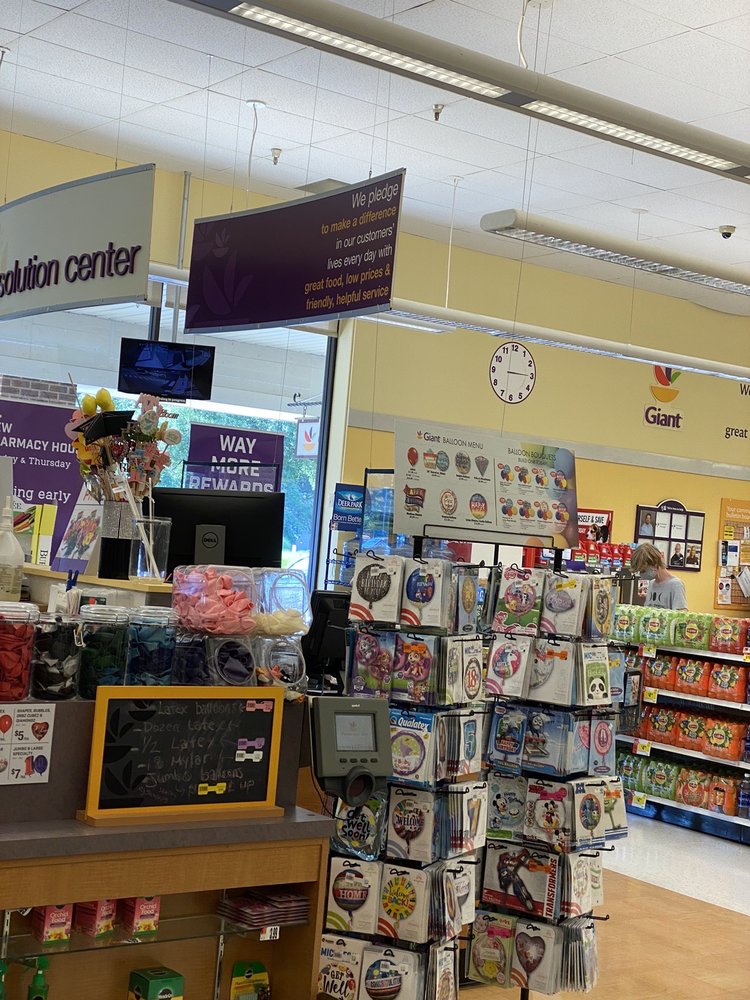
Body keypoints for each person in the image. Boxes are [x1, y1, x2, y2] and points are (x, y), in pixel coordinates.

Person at [631, 542, 687, 610]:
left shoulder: (676, 585)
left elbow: (681, 614)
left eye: (643, 570)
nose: (642, 574)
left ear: (655, 564)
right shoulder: (651, 584)